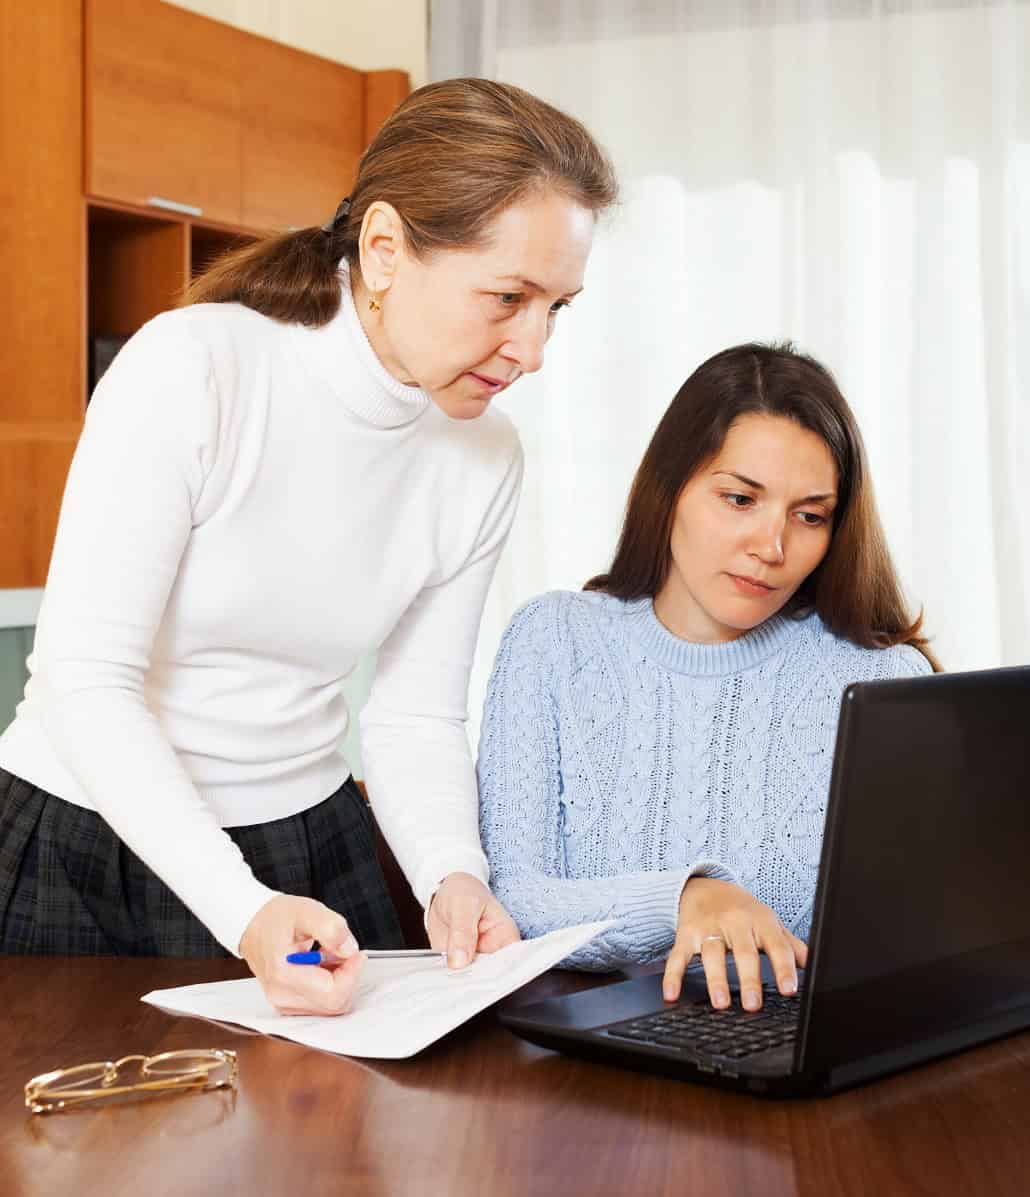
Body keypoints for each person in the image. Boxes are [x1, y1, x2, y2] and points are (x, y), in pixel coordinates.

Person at [0, 79, 617, 1016]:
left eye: (556, 308)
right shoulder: (196, 366)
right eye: (506, 297)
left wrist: (452, 872)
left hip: (307, 839)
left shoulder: (483, 456)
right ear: (383, 250)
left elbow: (414, 717)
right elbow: (86, 681)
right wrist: (243, 911)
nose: (532, 349)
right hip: (92, 841)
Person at [477, 342, 939, 1015]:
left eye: (809, 515)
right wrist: (686, 897)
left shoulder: (881, 678)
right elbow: (515, 897)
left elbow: (913, 932)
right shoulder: (553, 641)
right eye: (740, 498)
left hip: (793, 1065)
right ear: (670, 488)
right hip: (586, 1066)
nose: (772, 546)